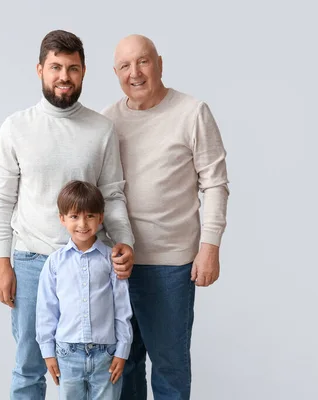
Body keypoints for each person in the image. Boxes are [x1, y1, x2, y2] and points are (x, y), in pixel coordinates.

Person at [0, 30, 135, 400]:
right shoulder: (16, 127)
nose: (64, 77)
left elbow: (113, 194)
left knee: (96, 368)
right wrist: (2, 263)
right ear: (40, 69)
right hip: (31, 260)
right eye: (55, 67)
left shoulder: (102, 130)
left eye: (72, 68)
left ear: (84, 72)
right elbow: (2, 200)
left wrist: (124, 243)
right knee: (29, 365)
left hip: (90, 262)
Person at [101, 34, 230, 400]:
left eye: (142, 61)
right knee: (121, 365)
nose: (135, 72)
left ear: (159, 62)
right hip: (117, 264)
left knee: (170, 365)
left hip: (171, 265)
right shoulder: (107, 120)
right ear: (115, 73)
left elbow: (216, 184)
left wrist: (209, 248)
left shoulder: (192, 112)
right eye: (125, 66)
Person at [36, 180, 133, 400]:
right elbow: (46, 310)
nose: (82, 223)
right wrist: (48, 352)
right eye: (74, 216)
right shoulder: (55, 262)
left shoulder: (111, 259)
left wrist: (122, 350)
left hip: (106, 355)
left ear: (100, 218)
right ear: (62, 219)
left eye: (90, 215)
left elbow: (122, 308)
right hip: (67, 353)